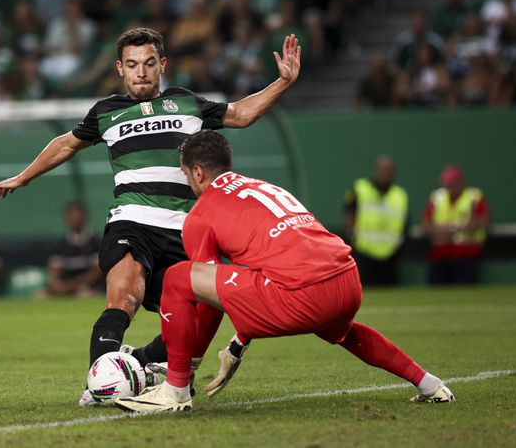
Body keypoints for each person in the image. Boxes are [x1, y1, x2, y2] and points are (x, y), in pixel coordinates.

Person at [0, 27, 301, 405]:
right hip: (132, 220)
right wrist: (24, 177)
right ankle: (98, 385)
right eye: (133, 64)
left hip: (185, 231)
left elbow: (240, 113)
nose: (141, 72)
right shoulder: (106, 111)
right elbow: (65, 144)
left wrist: (283, 82)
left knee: (195, 322)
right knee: (124, 294)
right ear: (120, 68)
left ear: (162, 65)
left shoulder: (186, 102)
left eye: (149, 63)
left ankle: (139, 362)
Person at [115, 131, 454, 413]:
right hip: (347, 281)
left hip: (302, 294)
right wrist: (239, 341)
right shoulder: (264, 188)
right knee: (344, 332)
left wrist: (190, 365)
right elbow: (271, 267)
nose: (188, 182)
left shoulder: (200, 215)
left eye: (186, 174)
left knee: (178, 276)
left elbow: (205, 295)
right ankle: (429, 384)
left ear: (198, 172)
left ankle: (174, 391)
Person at [344, 155, 408, 286]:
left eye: (388, 171)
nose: (384, 174)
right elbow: (349, 211)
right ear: (375, 170)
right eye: (382, 170)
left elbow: (405, 221)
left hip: (391, 254)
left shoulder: (400, 195)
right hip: (364, 251)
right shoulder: (359, 188)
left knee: (390, 290)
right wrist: (352, 232)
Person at [422, 165, 489, 285]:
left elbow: (483, 222)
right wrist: (440, 230)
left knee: (464, 286)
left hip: (466, 253)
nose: (450, 188)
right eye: (448, 185)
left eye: (453, 185)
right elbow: (426, 224)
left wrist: (457, 227)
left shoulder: (474, 197)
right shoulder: (437, 197)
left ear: (461, 182)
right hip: (440, 253)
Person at [43, 202, 102, 297]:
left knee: (85, 295)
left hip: (88, 288)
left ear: (85, 216)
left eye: (78, 214)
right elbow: (53, 272)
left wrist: (71, 285)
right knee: (41, 295)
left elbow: (96, 272)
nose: (75, 218)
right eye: (71, 215)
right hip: (64, 289)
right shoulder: (60, 245)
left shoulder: (96, 242)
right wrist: (57, 285)